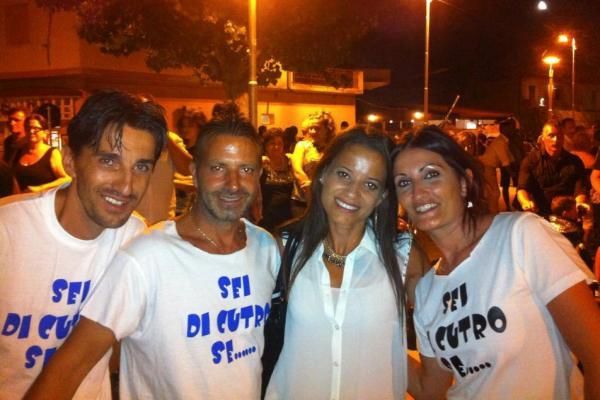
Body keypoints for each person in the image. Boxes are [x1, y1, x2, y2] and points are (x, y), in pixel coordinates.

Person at [25, 114, 280, 399]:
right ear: (194, 173)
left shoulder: (266, 248)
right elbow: (69, 367)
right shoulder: (146, 258)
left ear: (258, 175)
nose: (233, 183)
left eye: (246, 169)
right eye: (218, 168)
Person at [392, 125, 600, 399]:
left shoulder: (520, 235)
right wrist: (374, 333)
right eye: (404, 182)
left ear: (464, 182)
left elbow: (595, 355)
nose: (418, 193)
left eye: (431, 175)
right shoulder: (426, 290)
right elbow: (429, 389)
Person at [0, 90, 167, 399]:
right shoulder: (8, 231)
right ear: (70, 161)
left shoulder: (134, 239)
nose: (126, 185)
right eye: (109, 161)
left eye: (141, 167)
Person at [265, 127, 426, 400]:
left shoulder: (404, 255)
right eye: (344, 175)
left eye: (370, 184)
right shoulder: (284, 247)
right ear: (323, 174)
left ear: (383, 196)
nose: (353, 193)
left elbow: (442, 341)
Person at [517, 120, 586, 216]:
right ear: (543, 137)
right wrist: (525, 202)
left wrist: (580, 204)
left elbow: (580, 190)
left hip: (567, 215)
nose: (556, 140)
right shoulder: (530, 161)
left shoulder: (575, 162)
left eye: (559, 136)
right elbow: (522, 188)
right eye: (551, 135)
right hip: (540, 214)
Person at [289, 112, 335, 217]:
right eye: (310, 128)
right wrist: (310, 189)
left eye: (317, 128)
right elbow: (297, 170)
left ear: (327, 129)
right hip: (302, 201)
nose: (313, 132)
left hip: (325, 201)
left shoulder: (333, 148)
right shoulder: (302, 146)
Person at [13, 114, 70, 192]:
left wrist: (40, 188)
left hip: (43, 198)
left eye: (36, 128)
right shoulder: (18, 152)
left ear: (45, 132)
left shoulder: (51, 153)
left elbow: (66, 179)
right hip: (22, 198)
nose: (31, 131)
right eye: (28, 128)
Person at [259, 127, 293, 232]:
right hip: (266, 215)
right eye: (272, 144)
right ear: (265, 146)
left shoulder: (290, 161)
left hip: (288, 215)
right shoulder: (261, 163)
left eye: (280, 143)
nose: (276, 147)